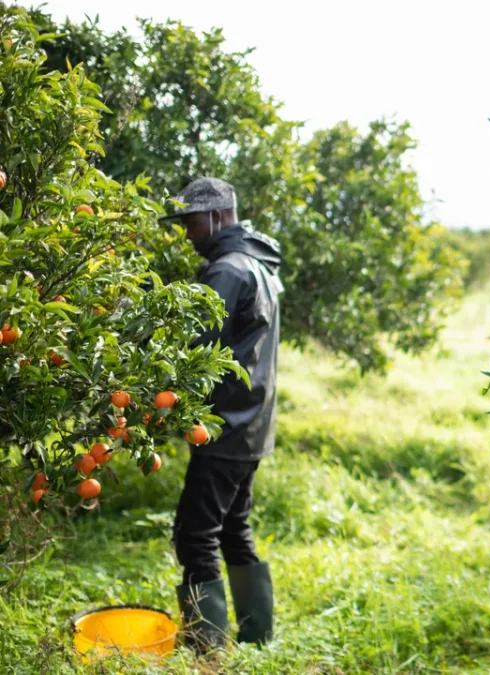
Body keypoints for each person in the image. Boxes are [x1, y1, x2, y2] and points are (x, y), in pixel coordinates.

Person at [159, 177, 284, 651]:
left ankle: (206, 648)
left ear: (216, 217)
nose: (188, 234)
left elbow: (193, 345)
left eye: (191, 223)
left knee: (195, 536)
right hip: (252, 425)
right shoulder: (260, 265)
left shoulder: (228, 272)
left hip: (224, 427)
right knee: (233, 528)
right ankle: (258, 639)